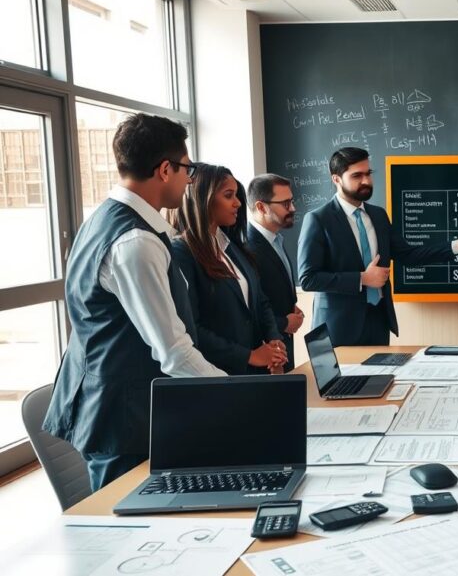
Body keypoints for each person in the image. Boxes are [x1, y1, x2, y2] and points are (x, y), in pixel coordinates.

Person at [43, 114, 225, 491]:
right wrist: (237, 395)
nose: (190, 179)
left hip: (120, 407)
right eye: (187, 169)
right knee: (130, 534)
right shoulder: (135, 242)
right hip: (122, 420)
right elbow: (173, 350)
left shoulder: (104, 219)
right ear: (164, 170)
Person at [298, 147, 458, 346]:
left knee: (380, 378)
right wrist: (362, 278)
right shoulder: (318, 220)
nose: (366, 181)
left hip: (378, 320)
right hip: (338, 327)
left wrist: (456, 245)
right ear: (336, 179)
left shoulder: (378, 216)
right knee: (347, 379)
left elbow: (409, 255)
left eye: (368, 173)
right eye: (357, 176)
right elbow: (308, 279)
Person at [167, 163, 288, 375]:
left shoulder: (231, 246)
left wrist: (274, 340)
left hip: (253, 373)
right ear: (203, 198)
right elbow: (192, 328)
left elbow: (260, 300)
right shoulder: (182, 253)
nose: (238, 203)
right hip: (219, 375)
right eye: (228, 195)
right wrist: (249, 356)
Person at [245, 174, 303, 371]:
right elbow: (252, 307)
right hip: (266, 354)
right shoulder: (247, 248)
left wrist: (292, 307)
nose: (293, 208)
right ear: (261, 207)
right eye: (285, 203)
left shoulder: (276, 239)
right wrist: (284, 323)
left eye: (292, 201)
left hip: (284, 346)